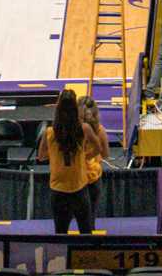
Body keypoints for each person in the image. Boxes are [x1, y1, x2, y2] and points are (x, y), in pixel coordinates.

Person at [38, 87, 104, 235]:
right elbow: (99, 148)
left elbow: (41, 156)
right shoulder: (84, 129)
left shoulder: (49, 132)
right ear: (75, 109)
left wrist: (55, 156)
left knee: (60, 233)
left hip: (58, 189)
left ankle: (62, 258)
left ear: (58, 108)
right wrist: (86, 156)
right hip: (79, 188)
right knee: (86, 232)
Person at [81, 96, 105, 224]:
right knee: (90, 218)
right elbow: (105, 153)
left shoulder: (73, 130)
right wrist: (91, 155)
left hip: (77, 176)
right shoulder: (100, 130)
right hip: (93, 176)